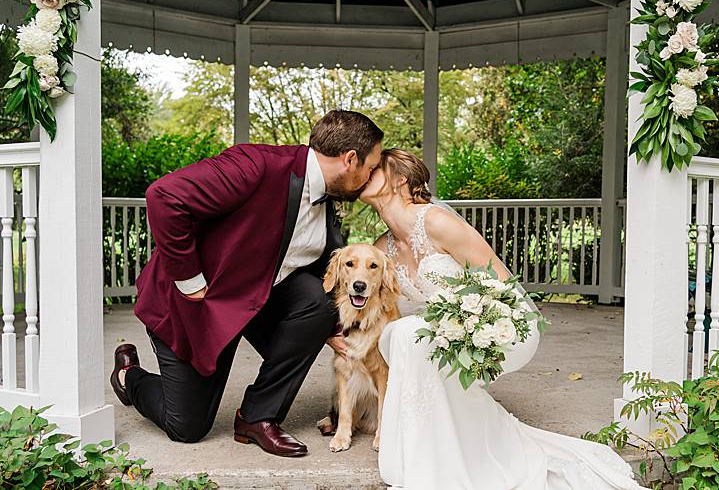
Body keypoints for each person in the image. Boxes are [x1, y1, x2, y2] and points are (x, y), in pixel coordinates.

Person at [352, 148, 647, 489]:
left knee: (407, 332)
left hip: (500, 325)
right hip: (445, 334)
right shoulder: (382, 248)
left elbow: (501, 284)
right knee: (399, 334)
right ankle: (434, 456)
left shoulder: (435, 222)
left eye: (374, 168)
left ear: (400, 179)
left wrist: (468, 323)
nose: (365, 173)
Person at [109, 110, 384, 457]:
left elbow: (315, 267)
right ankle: (129, 376)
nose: (372, 176)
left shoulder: (327, 199)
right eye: (372, 167)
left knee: (319, 301)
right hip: (195, 306)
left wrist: (329, 328)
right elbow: (164, 196)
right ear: (350, 159)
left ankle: (258, 417)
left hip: (255, 300)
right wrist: (190, 281)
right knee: (187, 427)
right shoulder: (256, 164)